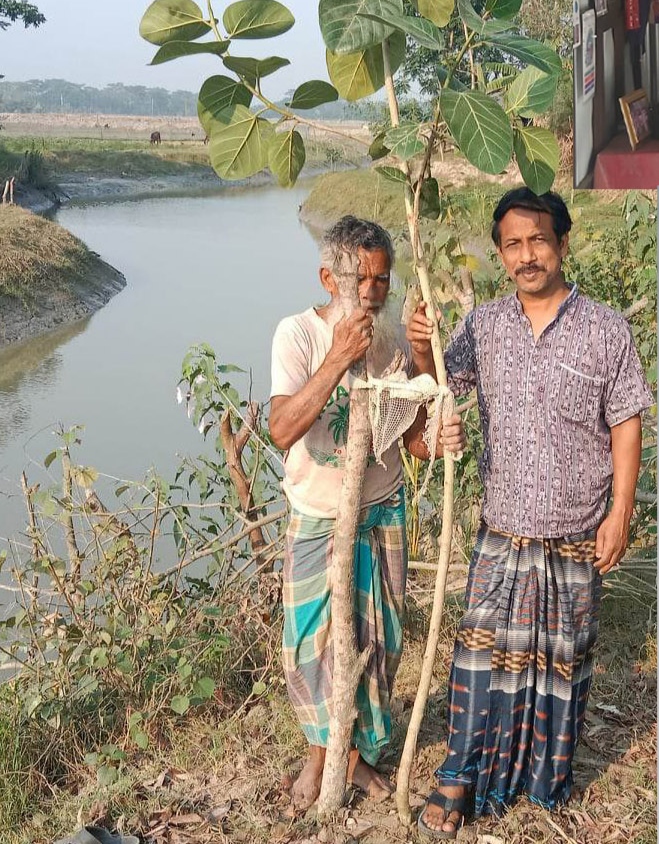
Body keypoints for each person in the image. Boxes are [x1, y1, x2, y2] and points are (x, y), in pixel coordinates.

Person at [406, 188, 653, 838]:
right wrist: (422, 348)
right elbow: (439, 388)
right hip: (503, 530)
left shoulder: (605, 329)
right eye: (512, 244)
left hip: (576, 530)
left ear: (562, 243)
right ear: (500, 254)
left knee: (560, 664)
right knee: (477, 658)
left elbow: (626, 420)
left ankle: (542, 780)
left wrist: (621, 509)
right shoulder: (483, 326)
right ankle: (460, 775)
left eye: (538, 240)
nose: (526, 255)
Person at [269, 215, 465, 810]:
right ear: (329, 279)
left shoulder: (394, 340)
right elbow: (282, 429)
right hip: (317, 514)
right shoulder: (298, 335)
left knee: (381, 641)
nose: (374, 291)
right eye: (361, 279)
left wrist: (425, 366)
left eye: (382, 279)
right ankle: (322, 752)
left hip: (381, 509)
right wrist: (337, 359)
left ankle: (357, 757)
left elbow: (416, 442)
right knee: (309, 645)